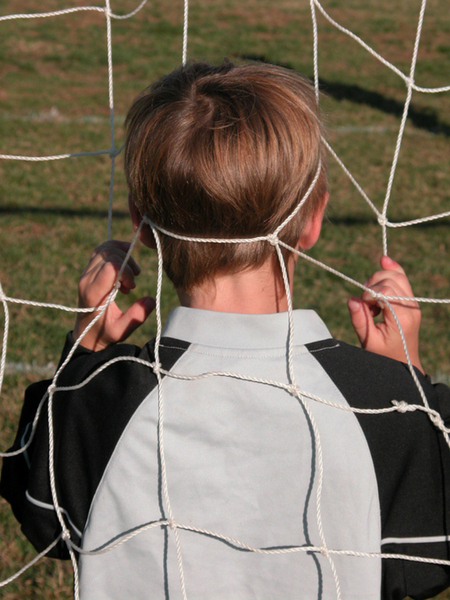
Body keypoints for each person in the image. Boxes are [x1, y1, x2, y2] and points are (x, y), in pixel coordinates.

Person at [1, 61, 449, 600]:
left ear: (142, 223)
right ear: (313, 219)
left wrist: (84, 354)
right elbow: (425, 559)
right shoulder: (388, 411)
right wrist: (407, 383)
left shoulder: (99, 401)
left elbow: (42, 511)